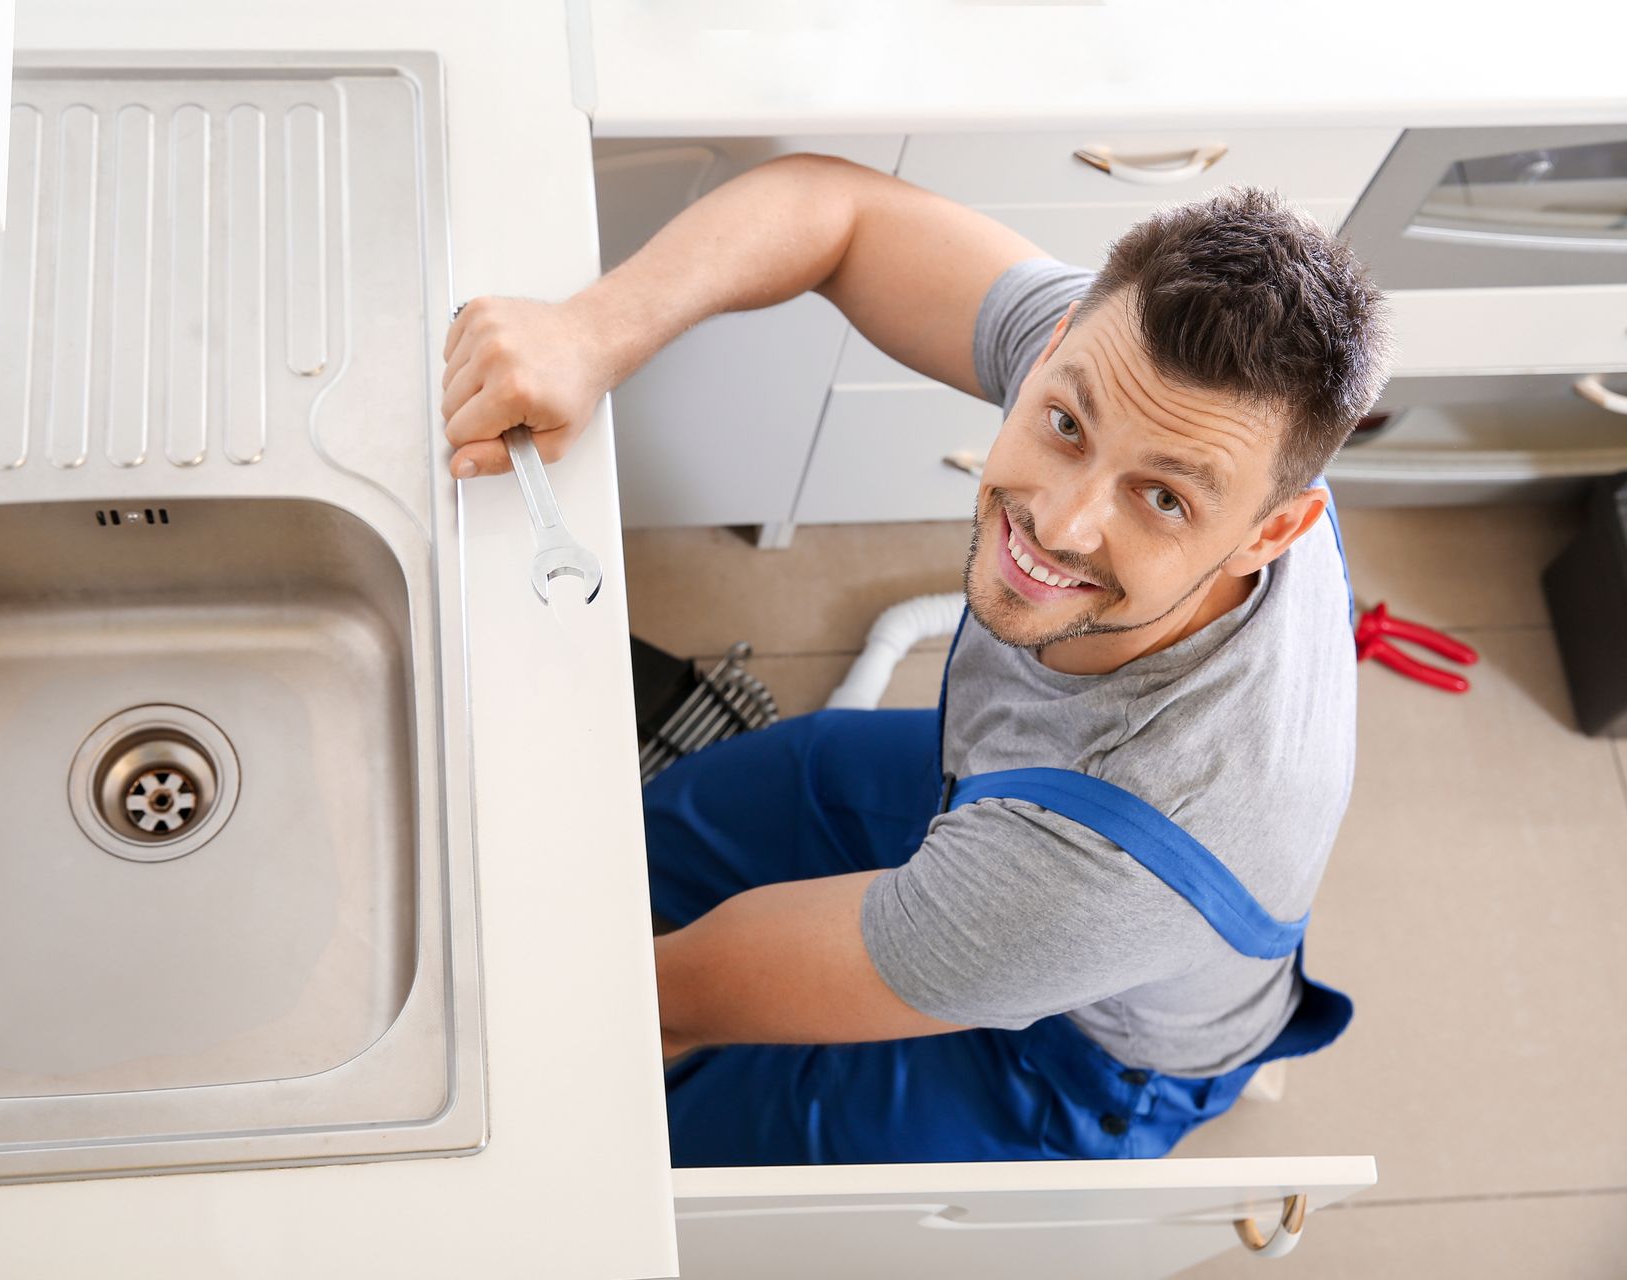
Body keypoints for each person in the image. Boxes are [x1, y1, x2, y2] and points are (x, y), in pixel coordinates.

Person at [439, 156, 1392, 1167]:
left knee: (649, 1120)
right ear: (1057, 347)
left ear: (1269, 534)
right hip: (1008, 799)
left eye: (1162, 500)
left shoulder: (1089, 873)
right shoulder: (1146, 381)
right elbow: (835, 212)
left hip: (1076, 1053)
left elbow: (668, 1000)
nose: (1059, 524)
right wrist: (591, 333)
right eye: (1065, 427)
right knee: (667, 826)